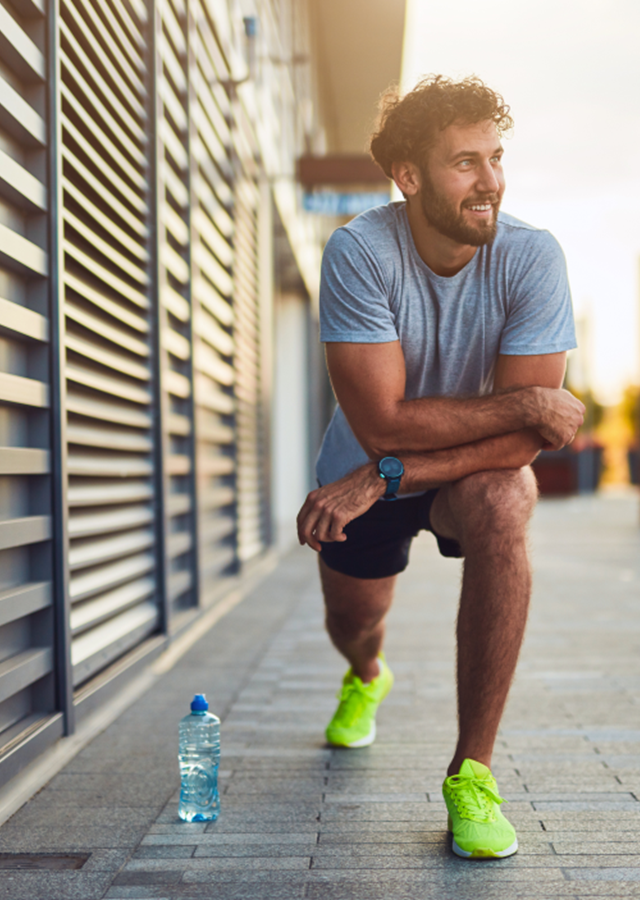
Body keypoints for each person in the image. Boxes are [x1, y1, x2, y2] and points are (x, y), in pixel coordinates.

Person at [296, 75, 585, 859]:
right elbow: (383, 422)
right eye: (466, 162)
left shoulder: (532, 258)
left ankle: (472, 772)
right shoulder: (360, 253)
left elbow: (525, 449)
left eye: (495, 158)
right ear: (410, 176)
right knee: (355, 622)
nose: (490, 181)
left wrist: (387, 474)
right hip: (353, 476)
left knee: (502, 499)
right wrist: (524, 405)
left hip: (414, 477)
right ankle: (366, 675)